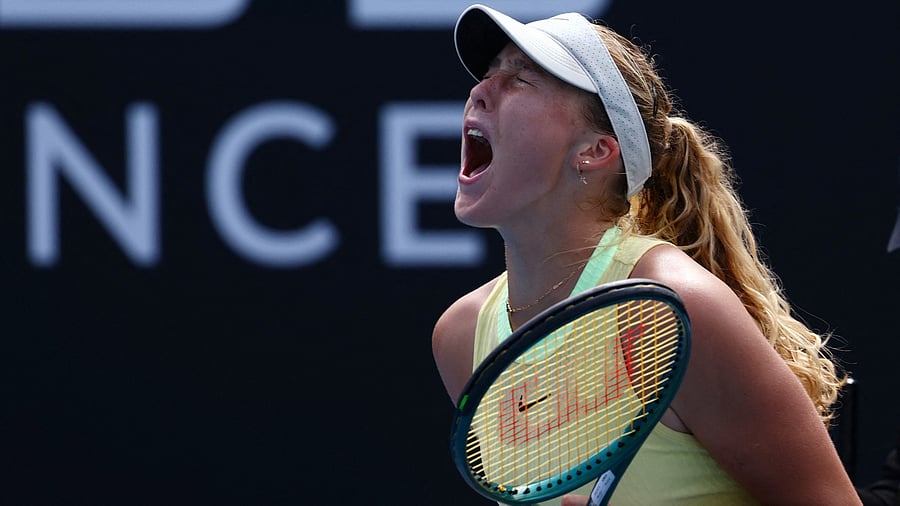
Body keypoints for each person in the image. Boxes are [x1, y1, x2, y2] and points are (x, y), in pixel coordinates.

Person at [431, 4, 862, 505]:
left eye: (521, 78)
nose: (480, 91)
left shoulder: (677, 307)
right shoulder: (462, 337)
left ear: (595, 150)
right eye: (488, 74)